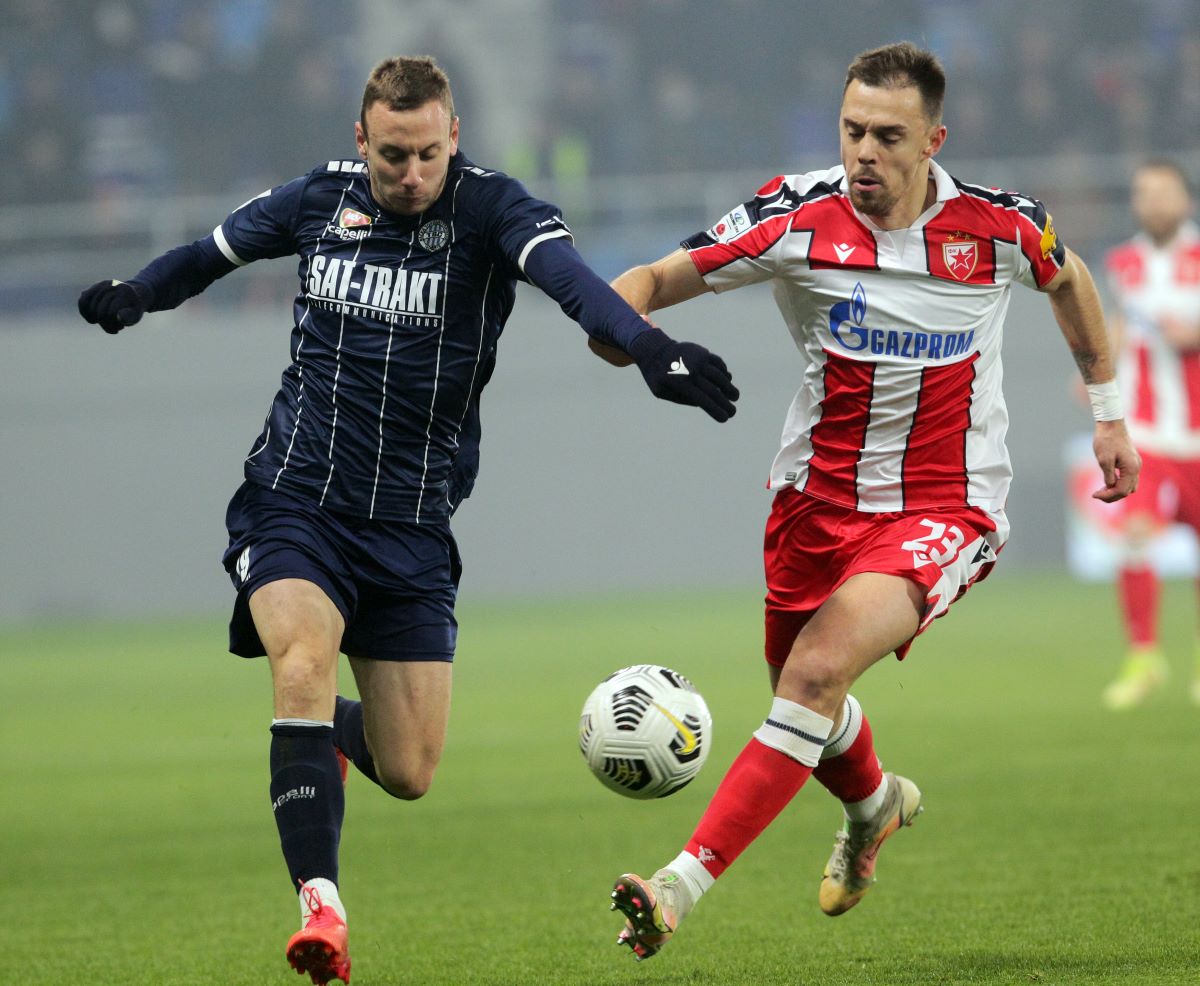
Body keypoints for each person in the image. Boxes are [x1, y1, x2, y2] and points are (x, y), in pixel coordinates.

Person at [77, 55, 738, 986]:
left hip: (412, 531)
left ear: (454, 138)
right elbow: (208, 253)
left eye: (428, 153)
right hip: (295, 499)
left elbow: (575, 285)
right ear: (362, 139)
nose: (411, 175)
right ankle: (323, 908)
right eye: (393, 155)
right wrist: (141, 291)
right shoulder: (320, 199)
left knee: (410, 769)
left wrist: (652, 349)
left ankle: (317, 743)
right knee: (300, 660)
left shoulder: (493, 209)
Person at [590, 41, 1140, 960]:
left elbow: (1070, 277)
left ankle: (677, 887)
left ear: (934, 140)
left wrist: (1110, 412)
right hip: (813, 501)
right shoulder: (794, 215)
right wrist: (636, 337)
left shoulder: (999, 227)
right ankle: (874, 804)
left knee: (811, 677)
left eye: (889, 136)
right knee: (803, 694)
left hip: (946, 506)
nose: (864, 154)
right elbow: (650, 279)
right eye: (852, 132)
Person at [1099, 159, 1200, 709]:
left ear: (1185, 199)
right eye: (1144, 194)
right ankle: (1144, 657)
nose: (1154, 203)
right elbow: (1116, 323)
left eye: (1165, 193)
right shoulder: (1122, 263)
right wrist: (1097, 371)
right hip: (1149, 435)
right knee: (1134, 536)